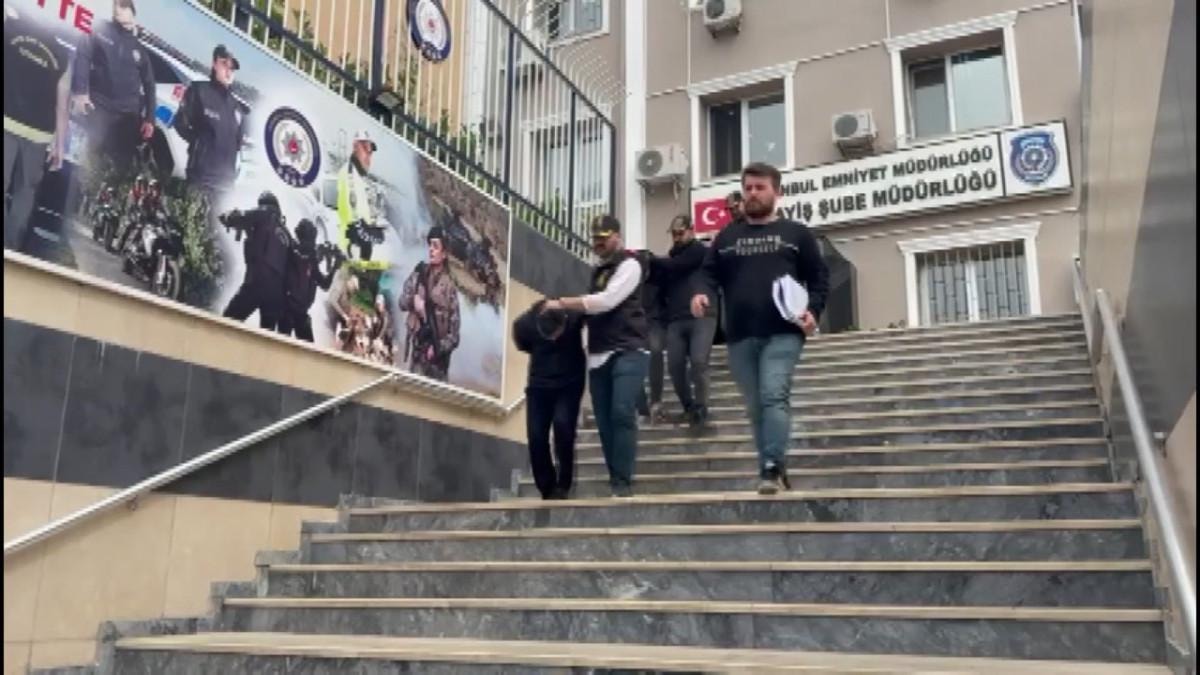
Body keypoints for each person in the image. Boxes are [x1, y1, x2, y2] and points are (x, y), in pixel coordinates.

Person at [692, 163, 829, 495]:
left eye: (760, 187)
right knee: (756, 407)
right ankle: (774, 466)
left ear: (777, 192)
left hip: (784, 332)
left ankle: (770, 468)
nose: (752, 194)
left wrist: (813, 311)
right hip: (740, 335)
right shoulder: (727, 237)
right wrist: (700, 294)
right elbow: (708, 274)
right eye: (748, 188)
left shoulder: (796, 234)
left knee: (773, 395)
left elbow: (819, 278)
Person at [542, 215, 649, 498]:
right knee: (603, 421)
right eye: (595, 238)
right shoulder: (597, 271)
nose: (599, 243)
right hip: (599, 355)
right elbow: (589, 315)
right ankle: (616, 478)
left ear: (617, 236)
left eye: (604, 237)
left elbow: (606, 301)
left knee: (621, 412)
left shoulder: (630, 265)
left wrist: (563, 303)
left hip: (629, 349)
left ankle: (623, 481)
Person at [4, 5, 72, 251]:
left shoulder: (9, 30)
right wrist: (60, 146)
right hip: (39, 134)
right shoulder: (63, 56)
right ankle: (10, 247)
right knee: (26, 193)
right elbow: (62, 105)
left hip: (7, 121)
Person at [70, 0, 156, 179]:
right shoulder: (100, 29)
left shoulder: (139, 49)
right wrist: (80, 92)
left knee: (118, 168)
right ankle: (81, 192)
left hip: (126, 117)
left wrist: (150, 118)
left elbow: (149, 84)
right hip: (99, 107)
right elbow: (83, 55)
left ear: (133, 12)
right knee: (89, 161)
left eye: (123, 6)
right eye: (115, 5)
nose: (118, 9)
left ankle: (110, 192)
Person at [512, 299, 587, 500]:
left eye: (557, 335)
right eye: (549, 336)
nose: (554, 339)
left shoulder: (574, 316)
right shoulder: (525, 325)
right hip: (539, 385)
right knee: (536, 436)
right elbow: (521, 343)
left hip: (570, 383)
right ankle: (547, 488)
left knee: (563, 426)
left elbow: (596, 310)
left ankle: (564, 483)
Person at [653, 214, 717, 428]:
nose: (677, 237)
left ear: (691, 230)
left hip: (702, 316)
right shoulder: (670, 261)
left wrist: (653, 260)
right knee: (674, 366)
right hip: (676, 319)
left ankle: (701, 407)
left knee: (699, 361)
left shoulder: (700, 251)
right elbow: (661, 286)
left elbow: (680, 264)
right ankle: (689, 407)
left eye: (680, 233)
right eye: (674, 234)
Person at [173, 44, 243, 195]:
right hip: (201, 180)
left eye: (232, 68)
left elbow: (238, 144)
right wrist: (199, 144)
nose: (228, 71)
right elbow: (180, 123)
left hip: (226, 186)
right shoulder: (198, 91)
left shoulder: (236, 107)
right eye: (224, 64)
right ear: (214, 64)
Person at [221, 191, 292, 332]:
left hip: (256, 282)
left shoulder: (264, 211)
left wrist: (227, 217)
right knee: (266, 337)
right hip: (276, 294)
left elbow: (239, 217)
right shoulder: (287, 234)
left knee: (225, 324)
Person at [398, 226, 461, 380]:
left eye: (436, 246)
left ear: (444, 253)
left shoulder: (450, 288)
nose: (431, 250)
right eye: (430, 245)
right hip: (418, 353)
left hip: (438, 363)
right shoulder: (418, 275)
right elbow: (401, 302)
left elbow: (454, 336)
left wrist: (438, 348)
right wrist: (413, 302)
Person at [281, 218, 338, 342]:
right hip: (287, 309)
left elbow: (324, 284)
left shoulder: (310, 257)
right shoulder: (292, 251)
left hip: (300, 312)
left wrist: (334, 267)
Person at [337, 129, 384, 262]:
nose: (368, 157)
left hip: (356, 253)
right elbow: (352, 218)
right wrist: (367, 233)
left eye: (370, 152)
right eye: (365, 149)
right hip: (350, 251)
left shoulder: (358, 177)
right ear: (355, 147)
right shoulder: (350, 175)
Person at [633, 249, 666, 425]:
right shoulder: (630, 283)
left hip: (654, 323)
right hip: (635, 326)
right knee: (633, 359)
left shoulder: (658, 282)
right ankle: (642, 407)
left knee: (656, 351)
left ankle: (656, 401)